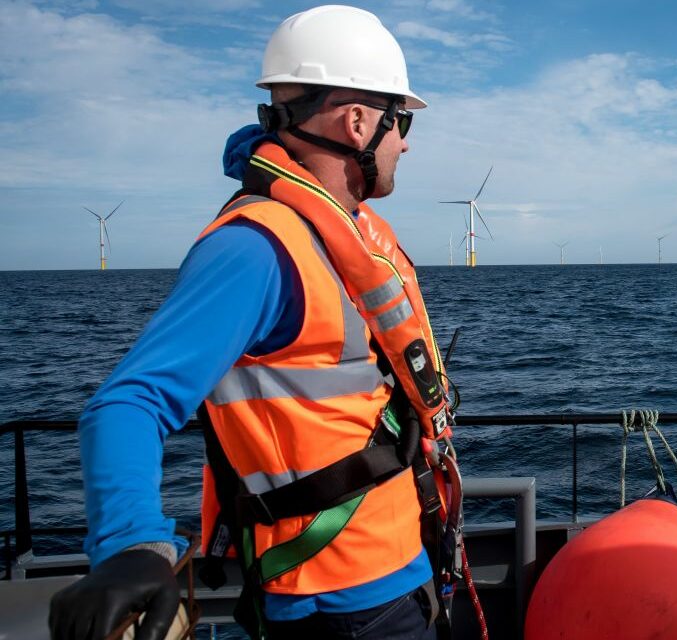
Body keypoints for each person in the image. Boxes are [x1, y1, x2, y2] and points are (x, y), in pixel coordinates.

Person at [48, 6, 460, 639]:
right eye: (399, 120)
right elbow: (128, 402)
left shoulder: (344, 237)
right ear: (358, 122)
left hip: (395, 568)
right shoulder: (255, 250)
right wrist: (130, 546)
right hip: (337, 604)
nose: (405, 141)